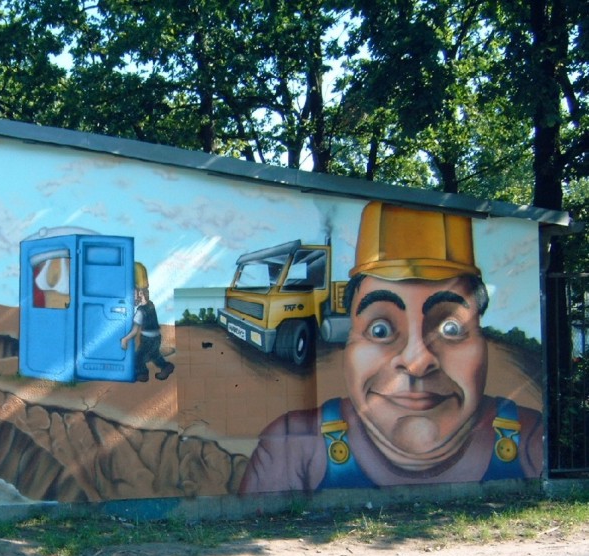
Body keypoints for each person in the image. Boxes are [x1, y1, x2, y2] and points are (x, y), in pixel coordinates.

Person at [239, 202, 543, 493]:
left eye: (451, 328)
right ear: (348, 341)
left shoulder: (533, 441)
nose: (417, 362)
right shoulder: (293, 446)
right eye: (380, 330)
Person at [120, 263, 174, 382]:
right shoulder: (151, 305)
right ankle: (166, 367)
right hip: (157, 337)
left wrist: (125, 339)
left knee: (138, 358)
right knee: (155, 355)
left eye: (133, 293)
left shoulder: (140, 311)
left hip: (148, 339)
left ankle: (143, 374)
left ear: (140, 293)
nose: (131, 297)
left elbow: (134, 331)